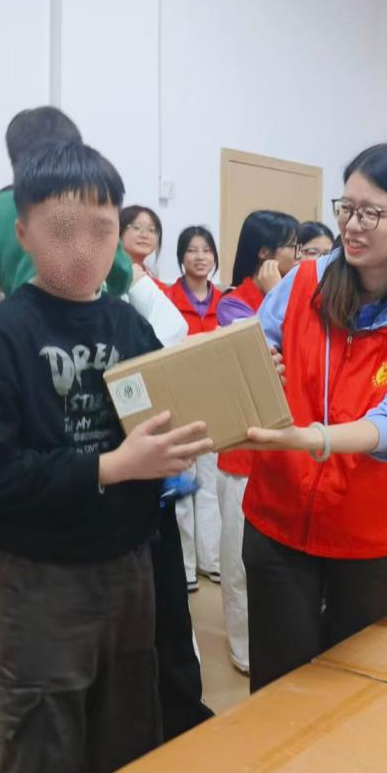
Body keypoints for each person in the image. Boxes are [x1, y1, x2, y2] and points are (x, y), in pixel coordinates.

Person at [0, 139, 213, 773]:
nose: (83, 250)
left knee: (124, 732)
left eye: (101, 231)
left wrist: (223, 390)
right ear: (23, 233)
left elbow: (164, 418)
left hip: (129, 566)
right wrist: (111, 466)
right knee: (38, 737)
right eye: (61, 230)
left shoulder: (129, 326)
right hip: (42, 577)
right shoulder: (4, 336)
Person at [239, 142, 387, 692]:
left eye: (372, 213)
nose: (352, 225)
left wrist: (313, 439)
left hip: (368, 535)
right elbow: (251, 350)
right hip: (278, 520)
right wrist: (259, 363)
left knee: (354, 696)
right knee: (279, 691)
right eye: (347, 208)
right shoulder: (303, 283)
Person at [213, 209, 299, 675]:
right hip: (243, 455)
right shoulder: (235, 302)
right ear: (265, 252)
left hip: (287, 449)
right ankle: (245, 649)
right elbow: (257, 362)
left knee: (277, 561)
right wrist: (274, 294)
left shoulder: (300, 295)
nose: (297, 254)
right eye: (291, 245)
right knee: (238, 561)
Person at [0, 106, 133, 300]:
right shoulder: (90, 202)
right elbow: (122, 277)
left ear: (15, 162)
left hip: (22, 310)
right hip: (86, 312)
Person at [164, 227, 224, 592]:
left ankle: (211, 560)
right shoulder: (167, 299)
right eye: (192, 250)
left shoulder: (226, 300)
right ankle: (185, 565)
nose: (200, 257)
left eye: (206, 250)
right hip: (178, 400)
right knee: (184, 486)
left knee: (211, 485)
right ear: (181, 257)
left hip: (216, 399)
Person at [120, 205, 163, 282]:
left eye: (151, 230)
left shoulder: (152, 275)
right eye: (137, 228)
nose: (145, 235)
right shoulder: (107, 273)